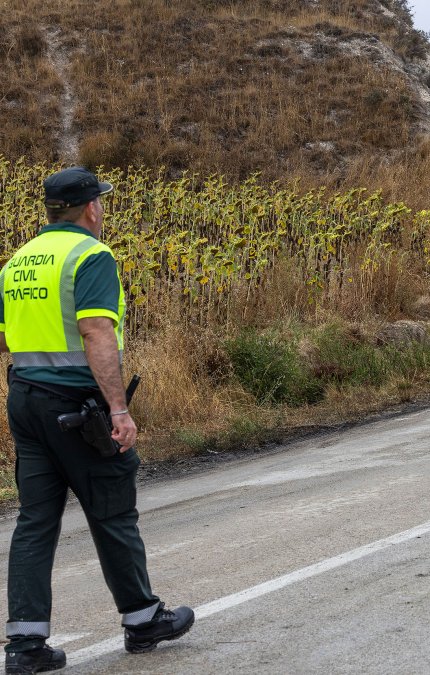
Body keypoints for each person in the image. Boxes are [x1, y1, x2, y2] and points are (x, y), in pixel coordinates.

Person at [1, 167, 193, 674]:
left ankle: (24, 646)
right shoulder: (90, 254)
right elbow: (95, 333)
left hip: (24, 400)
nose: (102, 211)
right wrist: (119, 409)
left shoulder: (18, 262)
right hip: (76, 409)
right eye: (101, 203)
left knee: (35, 522)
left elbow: (5, 340)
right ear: (90, 208)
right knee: (111, 509)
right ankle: (142, 619)